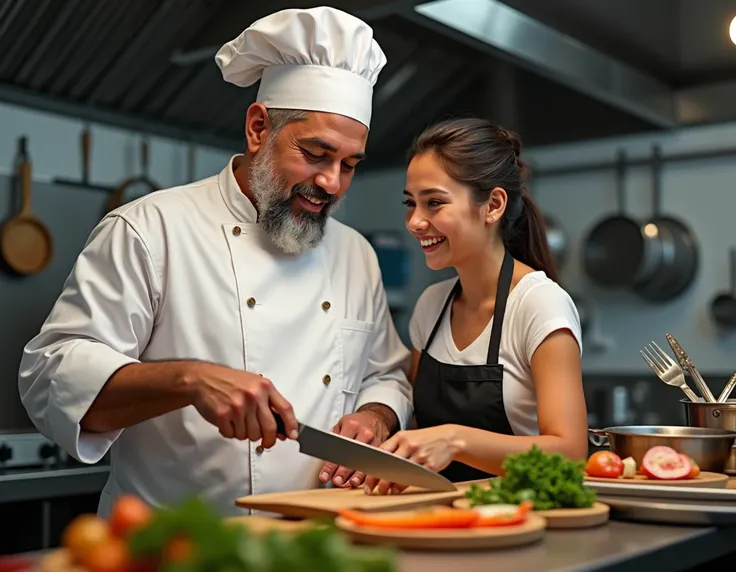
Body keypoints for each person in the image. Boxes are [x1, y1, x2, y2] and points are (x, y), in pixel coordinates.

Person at [18, 6, 413, 517]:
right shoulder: (149, 229)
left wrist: (376, 416)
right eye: (315, 154)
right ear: (257, 128)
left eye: (349, 165)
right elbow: (51, 375)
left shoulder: (356, 254)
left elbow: (388, 374)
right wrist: (190, 379)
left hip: (316, 542)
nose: (332, 183)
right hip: (176, 549)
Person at [363, 117, 588, 495]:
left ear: (493, 205)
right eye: (411, 204)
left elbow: (569, 453)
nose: (415, 221)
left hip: (521, 526)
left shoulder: (539, 304)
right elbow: (421, 430)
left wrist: (456, 441)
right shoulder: (431, 305)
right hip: (438, 517)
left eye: (434, 203)